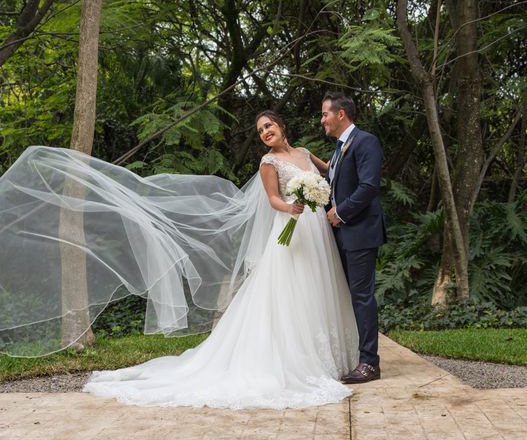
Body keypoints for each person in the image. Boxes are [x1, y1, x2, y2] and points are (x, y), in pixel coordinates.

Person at [0, 111, 358, 409]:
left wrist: (329, 184)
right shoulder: (269, 162)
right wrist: (293, 205)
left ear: (282, 126)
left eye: (269, 126)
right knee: (289, 291)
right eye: (260, 130)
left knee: (319, 286)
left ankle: (328, 354)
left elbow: (332, 172)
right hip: (291, 225)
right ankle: (293, 359)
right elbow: (273, 200)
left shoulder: (306, 153)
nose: (265, 133)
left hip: (316, 231)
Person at [321, 92, 386, 384]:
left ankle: (370, 364)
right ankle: (355, 356)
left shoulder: (365, 141)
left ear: (341, 114)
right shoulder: (339, 149)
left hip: (360, 232)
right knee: (349, 297)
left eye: (325, 114)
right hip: (342, 234)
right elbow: (332, 184)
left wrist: (341, 212)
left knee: (362, 297)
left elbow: (369, 186)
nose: (322, 120)